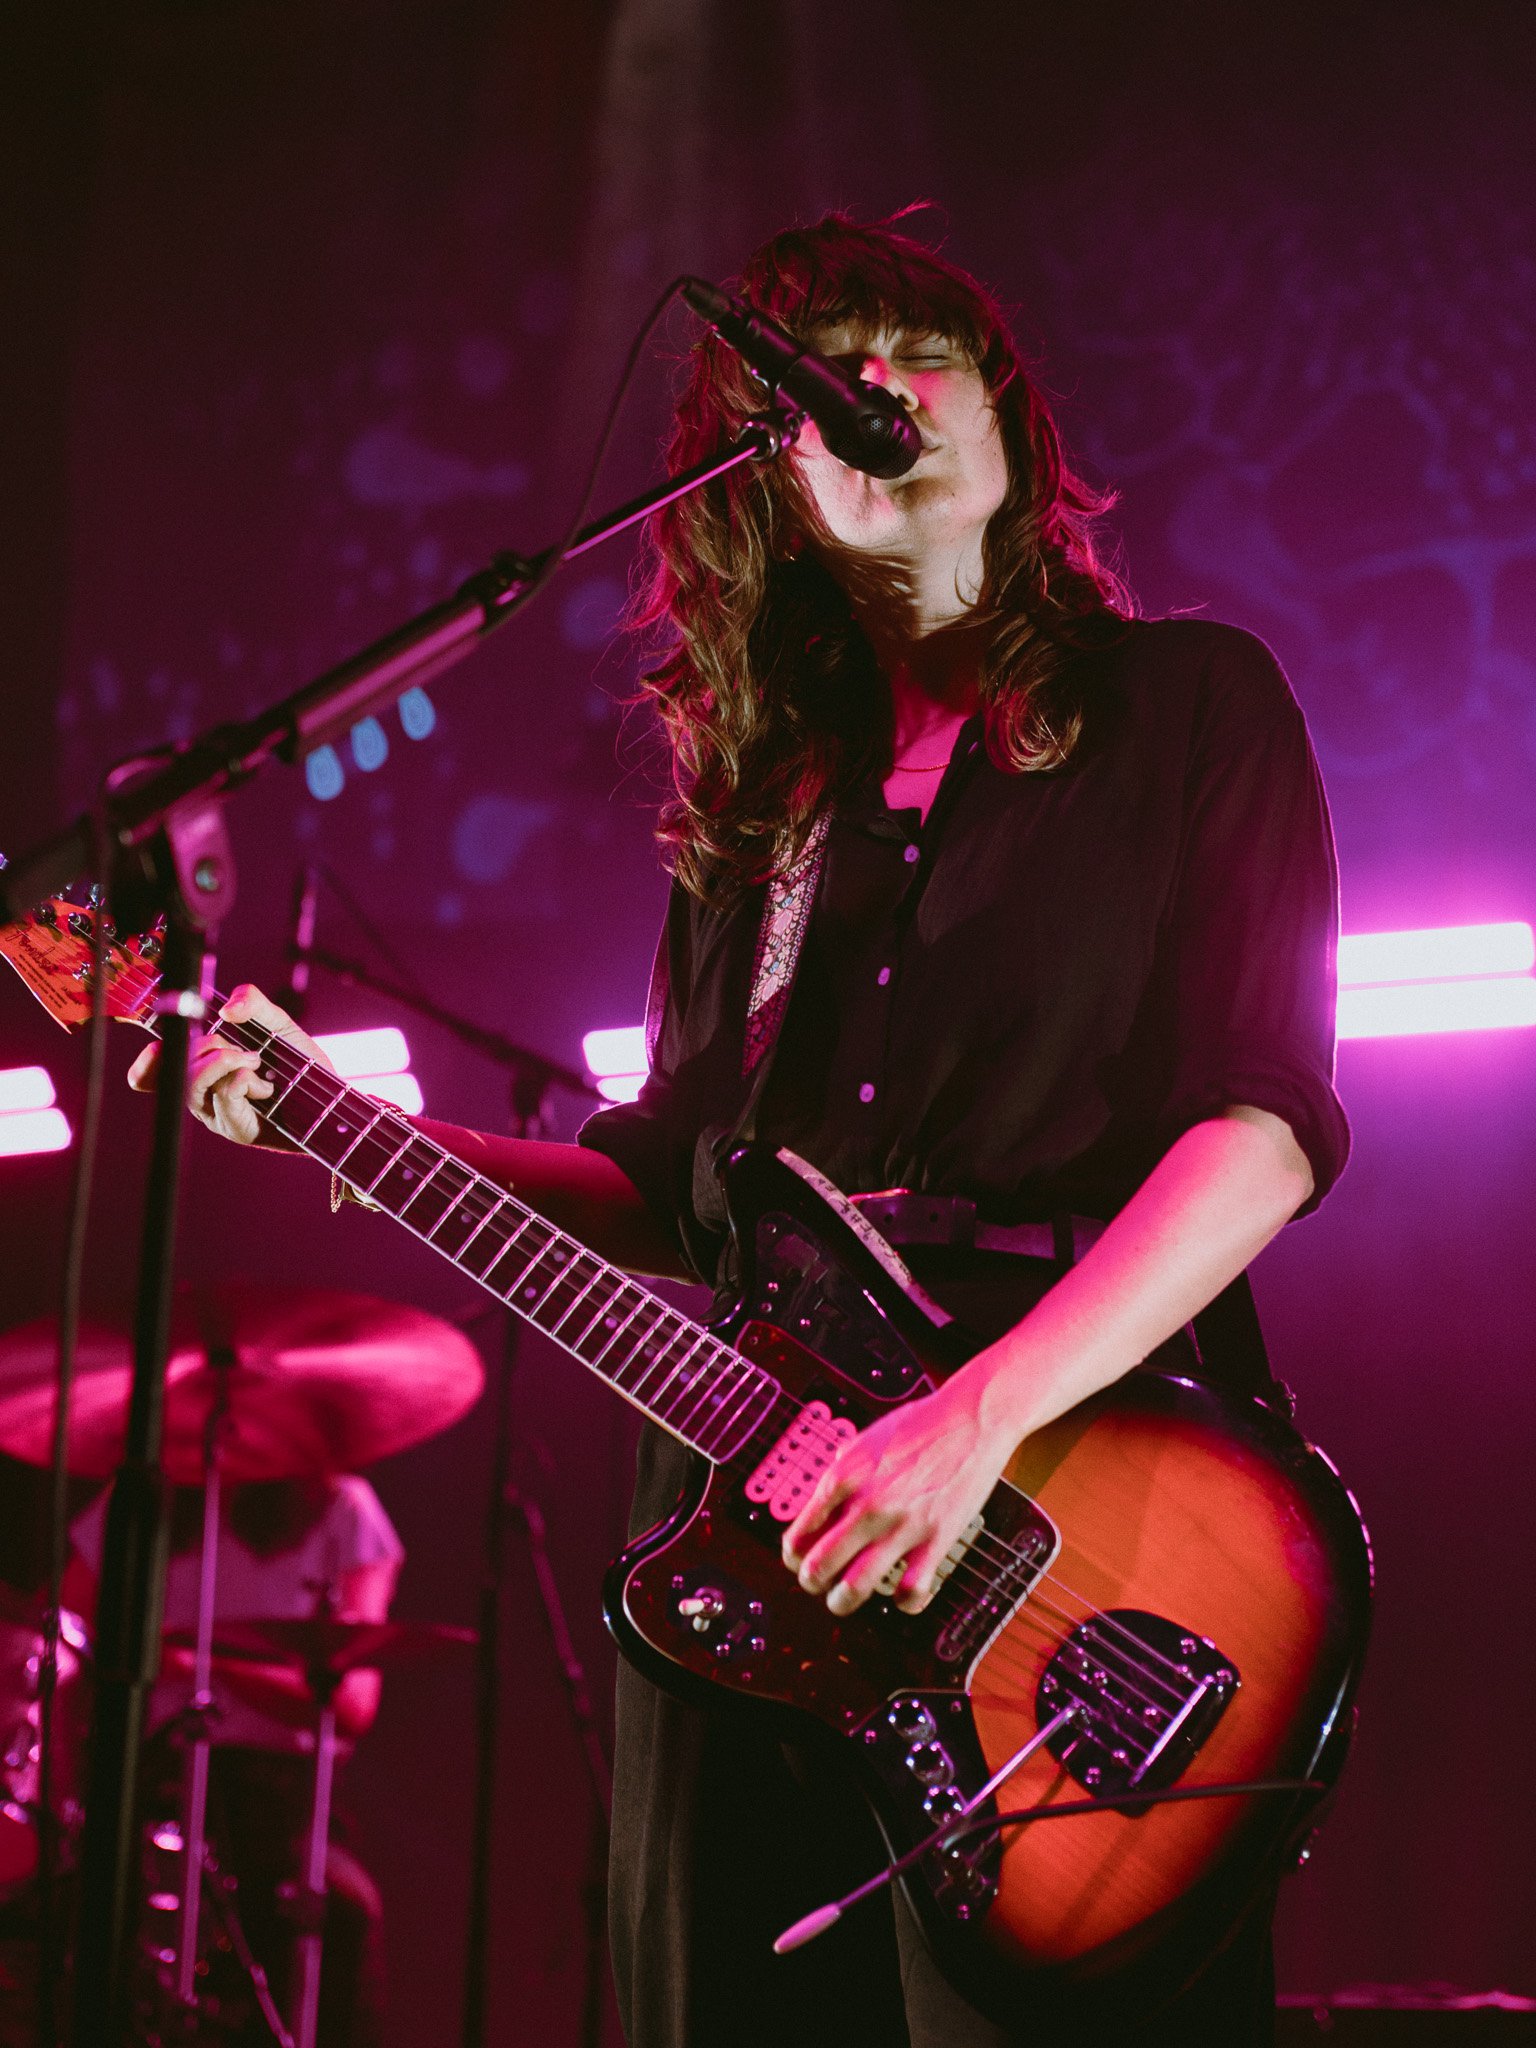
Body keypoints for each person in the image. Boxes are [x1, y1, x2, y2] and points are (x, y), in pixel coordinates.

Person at [131, 214, 1349, 2046]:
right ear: (760, 489)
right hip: (753, 1528)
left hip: (1053, 1479)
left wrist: (971, 1420)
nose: (875, 396)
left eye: (916, 353)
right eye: (818, 379)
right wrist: (327, 1122)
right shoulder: (766, 822)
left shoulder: (1187, 709)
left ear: (1007, 420)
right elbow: (661, 1181)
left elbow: (1265, 1117)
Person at [69, 1475, 401, 2045]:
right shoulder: (148, 1492)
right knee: (89, 1919)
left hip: (281, 1798)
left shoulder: (342, 1506)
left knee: (344, 1913)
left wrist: (200, 1660)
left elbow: (352, 1701)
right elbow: (63, 1633)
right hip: (153, 1777)